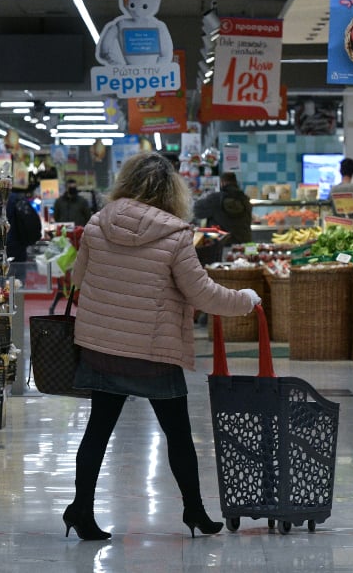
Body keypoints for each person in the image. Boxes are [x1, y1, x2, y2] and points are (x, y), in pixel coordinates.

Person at [63, 151, 260, 541]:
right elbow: (202, 293)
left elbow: (78, 278)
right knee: (178, 435)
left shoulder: (97, 224)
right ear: (172, 190)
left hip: (103, 348)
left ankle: (80, 509)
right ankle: (195, 511)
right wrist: (247, 300)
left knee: (97, 432)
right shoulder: (175, 234)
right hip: (153, 352)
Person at [193, 172, 253, 246]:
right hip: (245, 245)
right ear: (235, 182)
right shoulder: (246, 200)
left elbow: (197, 212)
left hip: (221, 245)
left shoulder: (215, 199)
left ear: (222, 182)